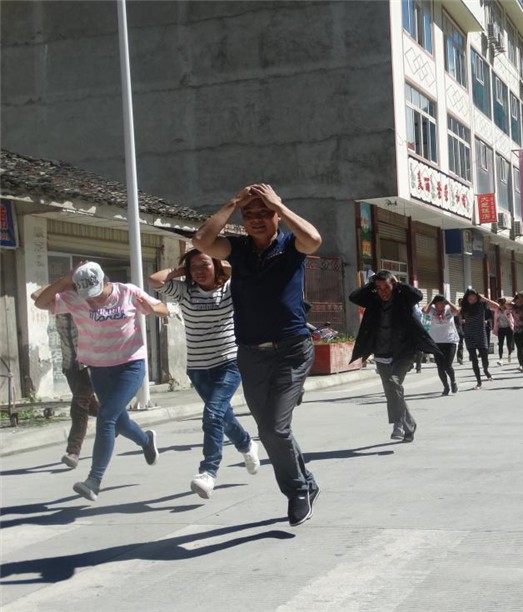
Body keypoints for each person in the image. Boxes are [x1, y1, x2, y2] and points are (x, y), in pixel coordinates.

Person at [193, 183, 322, 527]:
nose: (256, 219)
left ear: (276, 216)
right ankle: (307, 482)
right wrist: (232, 202)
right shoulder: (236, 249)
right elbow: (201, 241)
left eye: (264, 213)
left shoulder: (290, 245)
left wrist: (280, 203)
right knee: (269, 430)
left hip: (291, 350)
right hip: (250, 354)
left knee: (275, 428)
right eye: (249, 214)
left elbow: (313, 239)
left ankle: (297, 491)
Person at [32, 261, 168, 502]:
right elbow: (40, 302)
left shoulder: (127, 291)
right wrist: (65, 280)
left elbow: (164, 308)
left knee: (106, 418)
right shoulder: (74, 298)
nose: (93, 300)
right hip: (99, 369)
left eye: (97, 294)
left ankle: (93, 481)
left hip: (130, 365)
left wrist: (152, 308)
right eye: (88, 295)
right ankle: (146, 440)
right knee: (120, 421)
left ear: (106, 281)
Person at [149, 250, 260, 499]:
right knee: (222, 416)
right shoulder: (185, 291)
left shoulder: (230, 289)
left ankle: (208, 473)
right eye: (194, 267)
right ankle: (246, 443)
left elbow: (250, 276)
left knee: (212, 415)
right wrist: (182, 271)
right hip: (198, 367)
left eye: (205, 265)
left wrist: (222, 266)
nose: (199, 271)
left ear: (217, 265)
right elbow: (155, 280)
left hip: (229, 363)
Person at [349, 270, 442, 439]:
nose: (383, 291)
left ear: (394, 285)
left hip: (403, 353)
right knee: (392, 391)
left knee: (394, 383)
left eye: (386, 287)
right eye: (379, 288)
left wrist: (399, 284)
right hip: (381, 353)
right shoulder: (373, 301)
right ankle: (407, 425)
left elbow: (418, 295)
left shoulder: (403, 299)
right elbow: (354, 297)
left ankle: (399, 425)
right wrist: (372, 284)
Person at [55, 313, 100, 469]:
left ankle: (73, 452)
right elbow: (38, 299)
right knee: (89, 405)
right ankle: (115, 420)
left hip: (89, 364)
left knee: (79, 406)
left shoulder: (85, 304)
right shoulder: (58, 305)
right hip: (70, 365)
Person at [459, 288, 500, 389]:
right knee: (474, 360)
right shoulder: (464, 307)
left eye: (474, 298)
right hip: (469, 335)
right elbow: (460, 318)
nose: (472, 300)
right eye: (470, 298)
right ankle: (479, 382)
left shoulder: (482, 305)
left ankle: (486, 370)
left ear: (477, 297)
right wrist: (462, 321)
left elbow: (496, 306)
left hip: (481, 334)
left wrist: (485, 299)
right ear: (467, 298)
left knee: (485, 359)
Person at [425, 294, 461, 395]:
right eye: (439, 304)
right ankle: (446, 387)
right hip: (437, 342)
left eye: (443, 303)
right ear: (435, 304)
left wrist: (448, 302)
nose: (441, 306)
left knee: (447, 365)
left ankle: (453, 382)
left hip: (450, 341)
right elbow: (424, 311)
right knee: (440, 367)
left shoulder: (449, 309)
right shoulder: (432, 310)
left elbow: (457, 310)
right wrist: (431, 302)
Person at [511, 292, 523, 373]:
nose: (518, 303)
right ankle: (521, 365)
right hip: (517, 331)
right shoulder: (513, 308)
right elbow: (505, 302)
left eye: (520, 301)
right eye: (517, 301)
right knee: (519, 349)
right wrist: (515, 298)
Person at [494, 297, 515, 366]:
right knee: (500, 344)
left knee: (509, 343)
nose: (501, 305)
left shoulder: (508, 309)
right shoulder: (497, 310)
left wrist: (507, 303)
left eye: (503, 303)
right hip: (501, 328)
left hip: (508, 328)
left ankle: (509, 355)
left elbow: (513, 304)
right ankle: (500, 358)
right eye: (500, 303)